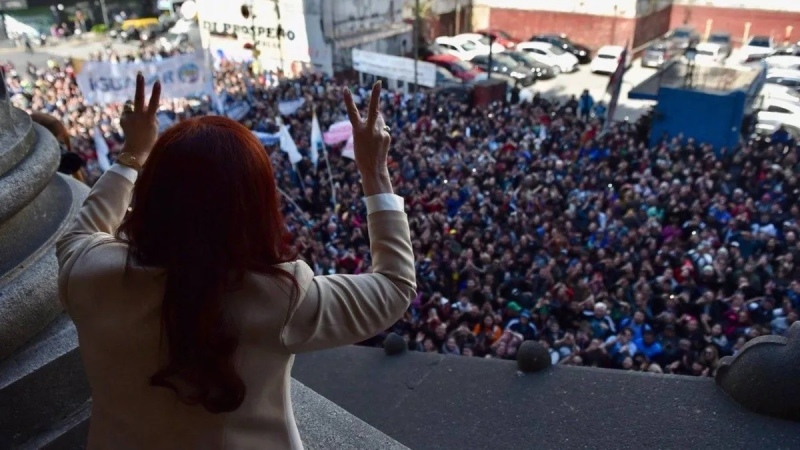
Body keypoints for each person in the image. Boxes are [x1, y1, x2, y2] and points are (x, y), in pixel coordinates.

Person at [55, 76, 416, 448]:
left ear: (151, 195)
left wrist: (132, 154)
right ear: (254, 208)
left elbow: (80, 232)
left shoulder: (86, 270)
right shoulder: (279, 297)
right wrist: (375, 172)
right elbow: (394, 287)